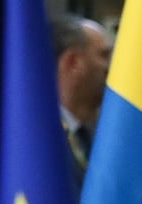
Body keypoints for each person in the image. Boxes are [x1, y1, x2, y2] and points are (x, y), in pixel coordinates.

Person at [50, 14, 112, 189]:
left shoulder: (103, 135)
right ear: (73, 62)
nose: (111, 67)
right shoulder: (39, 140)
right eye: (104, 55)